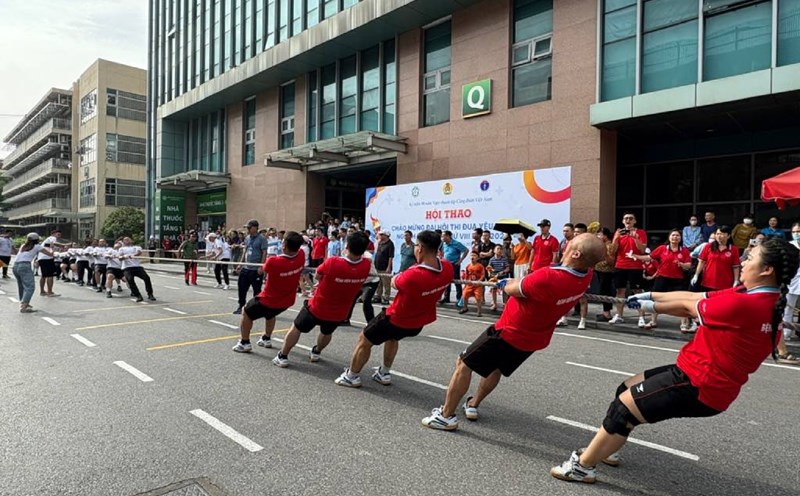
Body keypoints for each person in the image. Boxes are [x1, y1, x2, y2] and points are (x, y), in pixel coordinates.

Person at [550, 237, 799, 484]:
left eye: (751, 258)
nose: (743, 262)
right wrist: (652, 295)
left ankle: (582, 467)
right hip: (693, 371)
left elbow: (688, 307)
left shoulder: (744, 304)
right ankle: (608, 447)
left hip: (700, 385)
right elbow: (695, 297)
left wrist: (652, 305)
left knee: (623, 409)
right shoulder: (756, 296)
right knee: (626, 389)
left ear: (767, 270)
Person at [422, 234, 605, 430]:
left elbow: (513, 289)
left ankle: (446, 416)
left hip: (507, 331)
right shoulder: (586, 274)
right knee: (495, 368)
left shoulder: (549, 277)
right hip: (535, 339)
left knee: (464, 363)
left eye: (571, 243)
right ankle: (473, 404)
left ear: (576, 253)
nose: (565, 244)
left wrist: (507, 283)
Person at [335, 230, 454, 388]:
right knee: (392, 338)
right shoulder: (447, 267)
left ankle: (352, 376)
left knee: (364, 339)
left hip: (396, 318)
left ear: (421, 249)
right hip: (418, 322)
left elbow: (395, 282)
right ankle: (384, 373)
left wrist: (406, 272)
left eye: (416, 245)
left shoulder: (413, 274)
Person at [272, 232, 372, 367]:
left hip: (317, 307)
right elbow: (366, 262)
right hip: (340, 312)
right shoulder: (366, 265)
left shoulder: (333, 262)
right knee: (327, 332)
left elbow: (318, 275)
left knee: (296, 327)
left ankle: (282, 356)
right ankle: (317, 352)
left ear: (347, 245)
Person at [232, 232, 305, 353]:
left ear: (284, 246)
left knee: (246, 311)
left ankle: (244, 342)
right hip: (286, 301)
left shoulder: (273, 261)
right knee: (270, 314)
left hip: (268, 299)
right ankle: (266, 338)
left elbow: (261, 271)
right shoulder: (301, 255)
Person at [628, 229, 692, 331]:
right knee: (656, 300)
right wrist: (635, 256)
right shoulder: (662, 248)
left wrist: (682, 265)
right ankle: (653, 321)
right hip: (662, 277)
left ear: (680, 238)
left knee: (680, 302)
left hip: (678, 279)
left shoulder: (684, 251)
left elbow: (689, 265)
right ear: (669, 237)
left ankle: (683, 324)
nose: (675, 237)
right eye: (673, 235)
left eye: (677, 236)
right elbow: (649, 257)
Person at [609, 213, 648, 327]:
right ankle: (619, 315)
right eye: (626, 218)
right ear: (622, 221)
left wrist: (635, 238)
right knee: (620, 291)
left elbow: (642, 250)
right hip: (620, 265)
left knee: (637, 292)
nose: (628, 220)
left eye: (631, 218)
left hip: (636, 266)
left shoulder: (641, 232)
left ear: (634, 221)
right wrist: (616, 238)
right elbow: (612, 251)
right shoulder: (619, 233)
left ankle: (641, 317)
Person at [12, 233, 57, 313]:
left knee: (21, 285)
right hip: (25, 265)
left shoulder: (23, 246)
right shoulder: (37, 246)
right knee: (30, 287)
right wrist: (52, 248)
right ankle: (24, 305)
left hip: (15, 266)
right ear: (37, 240)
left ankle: (25, 302)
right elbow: (50, 254)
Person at [233, 219, 268, 315]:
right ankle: (241, 306)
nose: (247, 229)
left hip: (256, 268)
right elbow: (245, 251)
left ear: (255, 228)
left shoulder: (262, 239)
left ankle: (257, 308)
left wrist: (261, 266)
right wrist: (240, 263)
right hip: (246, 267)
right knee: (241, 287)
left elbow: (264, 253)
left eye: (249, 227)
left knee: (257, 290)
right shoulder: (247, 238)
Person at [692, 226, 741, 293]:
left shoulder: (733, 249)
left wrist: (736, 280)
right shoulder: (708, 246)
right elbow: (702, 262)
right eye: (717, 234)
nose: (719, 236)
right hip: (708, 281)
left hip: (725, 283)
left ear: (728, 236)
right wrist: (696, 275)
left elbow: (735, 267)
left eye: (722, 234)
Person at [119, 237, 156, 303]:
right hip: (127, 268)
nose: (126, 241)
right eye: (125, 240)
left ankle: (150, 294)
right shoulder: (121, 249)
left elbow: (139, 253)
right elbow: (120, 257)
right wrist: (123, 257)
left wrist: (132, 255)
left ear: (131, 240)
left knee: (146, 278)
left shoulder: (137, 247)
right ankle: (138, 295)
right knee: (130, 280)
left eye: (128, 239)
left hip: (137, 266)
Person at [593, 228, 616, 323]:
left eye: (599, 235)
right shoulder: (601, 245)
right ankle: (605, 312)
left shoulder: (609, 246)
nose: (598, 237)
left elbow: (611, 261)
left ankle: (607, 314)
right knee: (602, 292)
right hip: (599, 271)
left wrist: (604, 253)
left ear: (605, 236)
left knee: (605, 291)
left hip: (606, 272)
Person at [440, 230, 468, 305]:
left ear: (448, 236)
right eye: (441, 236)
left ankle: (459, 298)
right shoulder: (444, 244)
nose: (442, 238)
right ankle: (446, 298)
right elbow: (443, 252)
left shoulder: (456, 243)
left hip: (454, 264)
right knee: (446, 281)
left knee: (456, 281)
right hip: (446, 265)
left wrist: (460, 260)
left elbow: (466, 250)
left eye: (443, 236)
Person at [38, 229, 64, 297]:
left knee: (44, 275)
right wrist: (64, 245)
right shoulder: (52, 238)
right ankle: (50, 292)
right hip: (47, 258)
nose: (59, 236)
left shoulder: (47, 241)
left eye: (60, 235)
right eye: (58, 234)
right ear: (53, 234)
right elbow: (54, 244)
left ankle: (42, 291)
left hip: (42, 258)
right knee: (50, 275)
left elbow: (51, 246)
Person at [459, 252, 486, 316]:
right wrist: (466, 282)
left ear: (478, 258)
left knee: (478, 298)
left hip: (477, 285)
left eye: (474, 255)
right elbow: (466, 275)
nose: (472, 257)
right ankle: (465, 308)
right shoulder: (468, 266)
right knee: (465, 295)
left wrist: (479, 281)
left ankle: (479, 311)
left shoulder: (480, 266)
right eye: (471, 255)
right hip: (469, 284)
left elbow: (483, 275)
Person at [373, 230, 395, 305]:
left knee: (386, 283)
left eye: (382, 234)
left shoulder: (390, 244)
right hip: (378, 266)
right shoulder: (380, 243)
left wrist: (389, 267)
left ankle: (386, 297)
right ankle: (378, 296)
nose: (380, 236)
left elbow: (390, 257)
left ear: (386, 235)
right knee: (379, 283)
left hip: (385, 267)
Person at [487, 245, 510, 312]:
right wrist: (490, 272)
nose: (499, 250)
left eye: (501, 249)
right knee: (494, 290)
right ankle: (494, 304)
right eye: (498, 249)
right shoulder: (491, 259)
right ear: (494, 251)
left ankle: (505, 304)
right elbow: (489, 268)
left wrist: (502, 272)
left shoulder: (504, 258)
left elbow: (507, 268)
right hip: (494, 277)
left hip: (503, 276)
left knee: (504, 290)